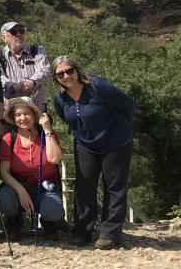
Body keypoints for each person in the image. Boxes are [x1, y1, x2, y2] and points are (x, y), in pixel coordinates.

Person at [52, 56, 134, 249]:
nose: (66, 76)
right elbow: (67, 118)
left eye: (69, 71)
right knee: (84, 185)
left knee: (114, 187)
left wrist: (119, 127)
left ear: (77, 70)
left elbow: (127, 104)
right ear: (55, 78)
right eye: (60, 74)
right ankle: (82, 231)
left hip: (115, 142)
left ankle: (110, 234)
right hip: (85, 144)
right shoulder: (60, 98)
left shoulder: (98, 86)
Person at [0, 97, 64, 241]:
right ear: (13, 118)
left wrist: (47, 129)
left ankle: (49, 223)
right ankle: (14, 221)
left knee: (53, 210)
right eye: (18, 115)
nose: (22, 118)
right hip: (18, 185)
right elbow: (4, 172)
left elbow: (55, 159)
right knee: (5, 199)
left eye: (26, 113)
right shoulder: (9, 138)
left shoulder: (48, 135)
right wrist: (20, 190)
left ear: (34, 115)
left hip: (46, 186)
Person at [0, 21, 50, 109]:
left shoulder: (37, 50)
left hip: (37, 108)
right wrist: (13, 86)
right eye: (14, 32)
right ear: (4, 38)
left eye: (21, 31)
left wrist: (32, 82)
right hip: (10, 110)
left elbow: (44, 70)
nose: (19, 34)